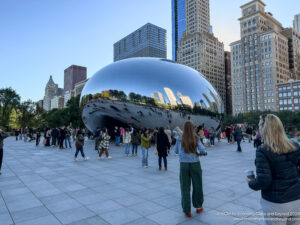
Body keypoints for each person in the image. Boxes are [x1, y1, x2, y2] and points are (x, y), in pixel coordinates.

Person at [247, 114, 300, 224]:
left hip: (276, 203)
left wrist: (251, 182)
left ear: (265, 128)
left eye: (259, 125)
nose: (258, 128)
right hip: (296, 200)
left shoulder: (263, 150)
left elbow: (264, 180)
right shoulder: (294, 145)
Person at [174, 121, 205, 218]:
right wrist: (201, 153)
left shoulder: (180, 138)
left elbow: (175, 151)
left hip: (184, 165)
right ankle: (198, 206)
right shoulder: (196, 137)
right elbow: (203, 150)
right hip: (195, 163)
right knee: (198, 185)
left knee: (185, 187)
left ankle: (187, 210)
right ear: (192, 128)